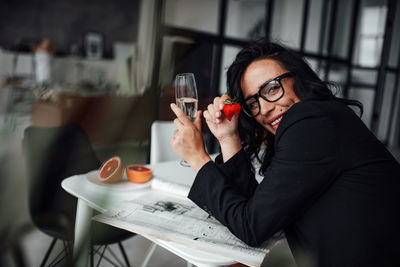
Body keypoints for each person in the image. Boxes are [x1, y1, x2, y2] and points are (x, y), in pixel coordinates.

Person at [169, 39, 400, 267]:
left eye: (271, 88)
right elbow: (261, 212)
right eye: (253, 103)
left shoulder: (312, 121)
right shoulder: (317, 122)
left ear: (299, 78)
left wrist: (197, 157)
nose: (265, 109)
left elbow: (252, 226)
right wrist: (228, 138)